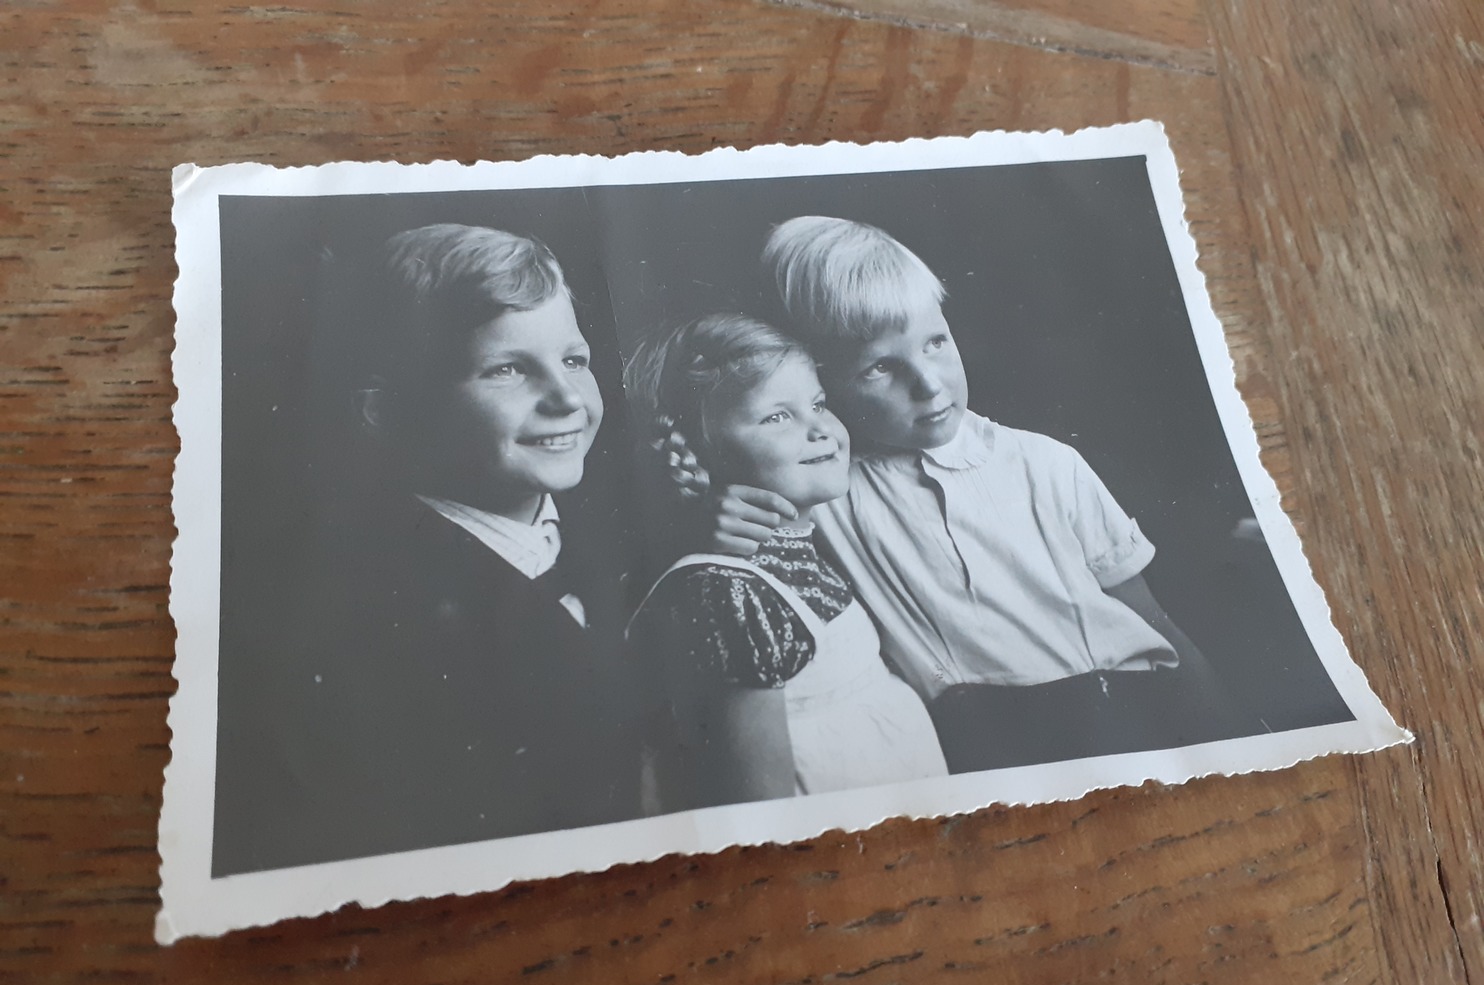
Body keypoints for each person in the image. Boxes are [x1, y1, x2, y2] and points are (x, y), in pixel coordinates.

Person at [697, 216, 1249, 772]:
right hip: (988, 737)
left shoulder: (1044, 462)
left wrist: (1240, 739)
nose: (929, 383)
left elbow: (1151, 618)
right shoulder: (820, 489)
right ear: (822, 382)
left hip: (1132, 706)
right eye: (881, 367)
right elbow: (732, 516)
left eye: (935, 342)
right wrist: (712, 521)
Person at [214, 223, 645, 873]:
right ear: (385, 412)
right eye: (506, 369)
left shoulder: (614, 531)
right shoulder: (374, 626)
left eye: (574, 360)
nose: (565, 399)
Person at [624, 313, 947, 810]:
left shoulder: (799, 543)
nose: (820, 429)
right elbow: (760, 805)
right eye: (777, 417)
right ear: (702, 452)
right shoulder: (730, 591)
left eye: (817, 403)